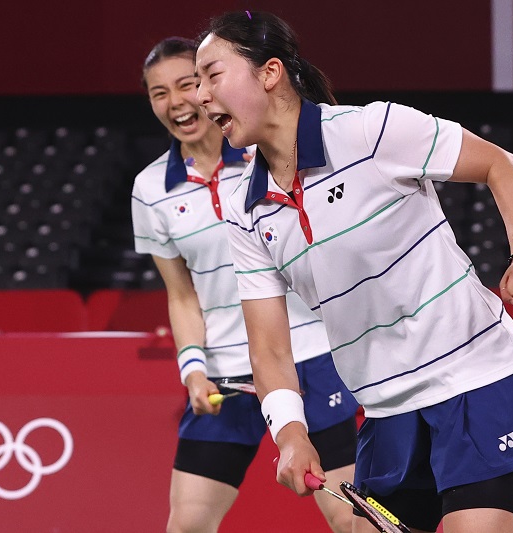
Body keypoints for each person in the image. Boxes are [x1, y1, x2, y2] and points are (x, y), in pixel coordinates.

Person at [194, 12, 513, 533]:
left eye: (212, 75)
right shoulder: (245, 209)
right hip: (387, 409)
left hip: (476, 381)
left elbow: (501, 164)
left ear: (270, 72)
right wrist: (289, 433)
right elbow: (270, 348)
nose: (201, 97)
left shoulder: (372, 132)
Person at [131, 37, 359, 533]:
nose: (176, 103)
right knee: (186, 525)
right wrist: (192, 369)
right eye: (158, 92)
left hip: (311, 358)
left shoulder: (269, 156)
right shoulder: (150, 190)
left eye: (188, 84)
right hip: (226, 376)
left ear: (212, 87)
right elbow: (182, 295)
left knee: (350, 521)